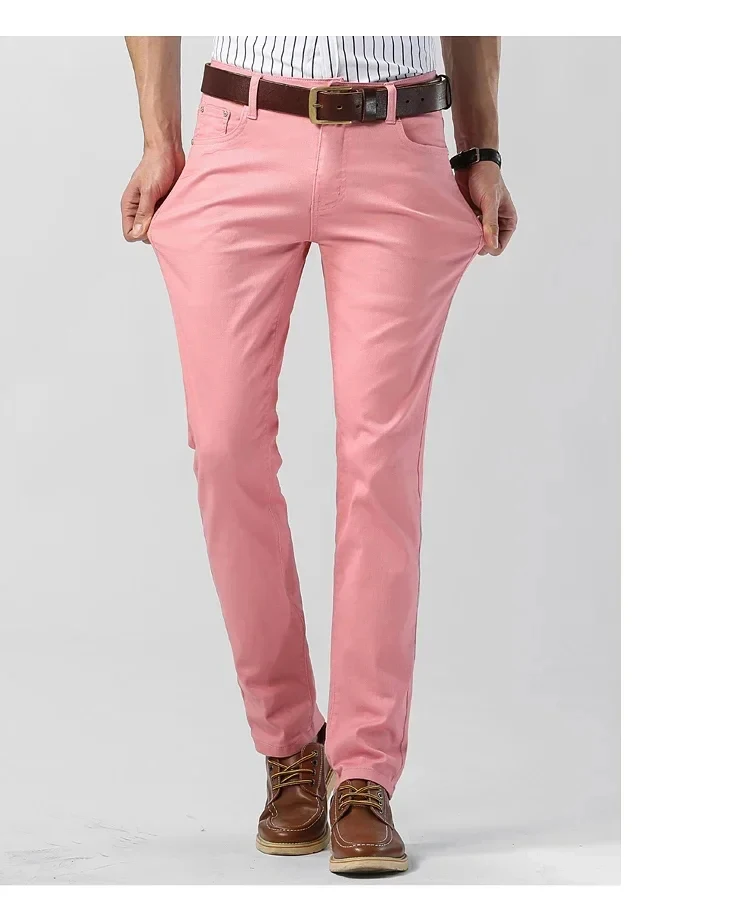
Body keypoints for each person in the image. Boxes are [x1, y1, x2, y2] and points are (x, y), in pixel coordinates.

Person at [122, 35, 516, 875]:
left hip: (399, 139)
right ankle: (290, 745)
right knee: (223, 446)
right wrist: (159, 137)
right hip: (240, 132)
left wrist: (480, 147)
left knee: (381, 462)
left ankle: (364, 771)